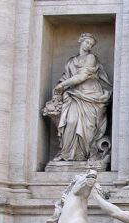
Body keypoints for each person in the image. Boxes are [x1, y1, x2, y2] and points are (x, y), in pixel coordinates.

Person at [52, 33, 112, 162]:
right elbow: (66, 77)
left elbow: (82, 77)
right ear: (81, 41)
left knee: (88, 128)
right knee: (71, 122)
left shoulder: (91, 58)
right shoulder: (71, 61)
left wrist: (62, 85)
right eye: (87, 42)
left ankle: (84, 155)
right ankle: (66, 153)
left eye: (91, 44)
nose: (88, 45)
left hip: (91, 96)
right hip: (74, 95)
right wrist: (60, 88)